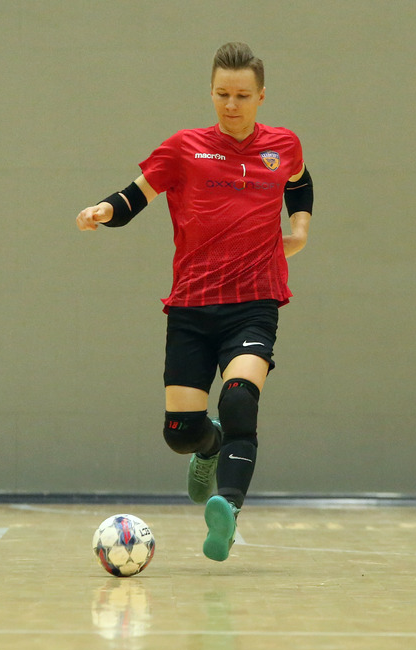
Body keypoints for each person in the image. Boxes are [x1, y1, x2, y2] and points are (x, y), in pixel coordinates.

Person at [76, 42, 313, 562]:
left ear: (261, 96)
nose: (231, 104)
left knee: (239, 399)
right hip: (192, 305)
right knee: (180, 433)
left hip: (255, 300)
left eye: (242, 95)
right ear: (211, 92)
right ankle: (208, 448)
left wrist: (299, 228)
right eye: (222, 94)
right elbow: (135, 196)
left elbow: (299, 182)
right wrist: (103, 211)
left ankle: (227, 508)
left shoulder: (283, 145)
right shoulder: (185, 147)